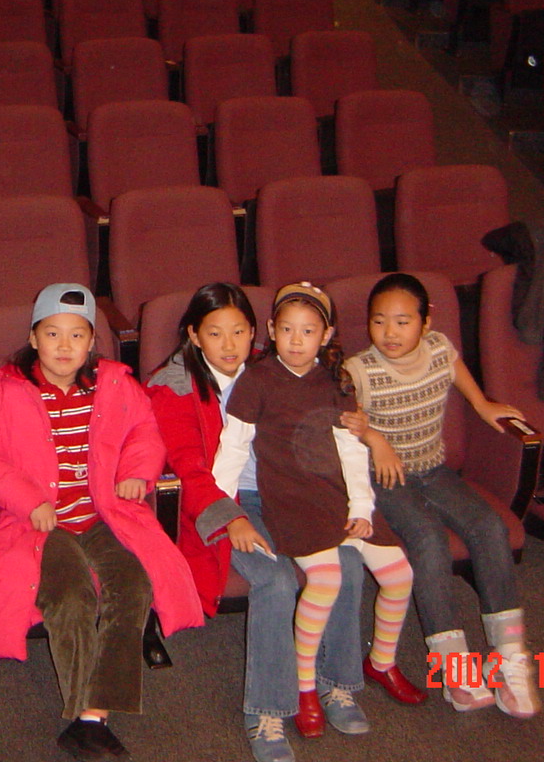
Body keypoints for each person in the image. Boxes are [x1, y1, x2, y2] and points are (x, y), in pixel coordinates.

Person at [0, 283, 203, 762]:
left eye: (76, 335)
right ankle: (90, 716)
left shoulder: (115, 385)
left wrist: (136, 472)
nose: (64, 346)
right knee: (71, 596)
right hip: (39, 525)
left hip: (105, 514)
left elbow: (145, 431)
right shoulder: (3, 392)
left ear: (91, 343)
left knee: (133, 586)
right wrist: (27, 499)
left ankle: (92, 716)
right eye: (52, 334)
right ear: (34, 338)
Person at [145, 283, 373, 762]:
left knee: (350, 565)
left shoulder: (276, 367)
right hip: (226, 502)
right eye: (215, 333)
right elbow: (188, 470)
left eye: (239, 332)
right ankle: (266, 710)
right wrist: (231, 519)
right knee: (275, 580)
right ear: (194, 335)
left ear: (256, 333)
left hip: (291, 493)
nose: (229, 345)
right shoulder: (173, 387)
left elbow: (328, 413)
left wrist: (366, 434)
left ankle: (334, 683)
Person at [214, 283, 424, 743]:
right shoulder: (257, 380)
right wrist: (227, 511)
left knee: (398, 574)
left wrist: (362, 506)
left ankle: (381, 662)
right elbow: (233, 450)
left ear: (325, 335)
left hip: (340, 494)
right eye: (287, 329)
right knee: (327, 580)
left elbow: (351, 450)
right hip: (293, 501)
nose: (296, 340)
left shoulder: (336, 379)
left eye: (308, 331)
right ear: (271, 330)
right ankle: (307, 686)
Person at [343, 272, 541, 718]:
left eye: (402, 322)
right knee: (429, 540)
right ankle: (453, 666)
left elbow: (455, 369)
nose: (389, 333)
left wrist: (482, 403)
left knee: (489, 527)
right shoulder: (359, 370)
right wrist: (375, 438)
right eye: (378, 321)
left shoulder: (439, 348)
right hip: (386, 479)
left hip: (433, 469)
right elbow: (345, 421)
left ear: (425, 322)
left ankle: (509, 657)